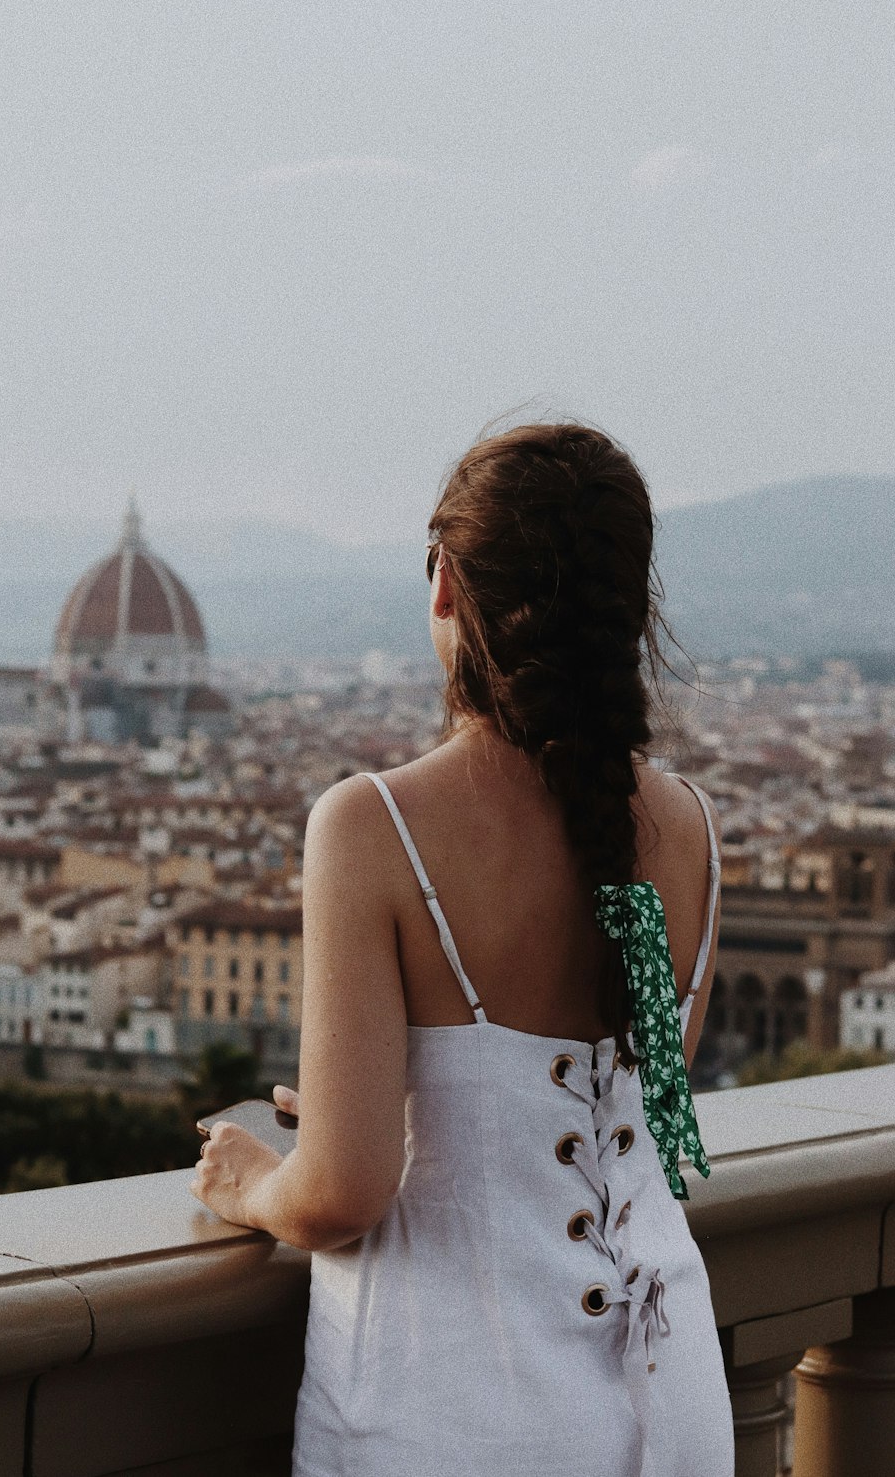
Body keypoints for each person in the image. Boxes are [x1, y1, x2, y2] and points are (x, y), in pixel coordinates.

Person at [191, 422, 735, 1476]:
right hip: (672, 1409)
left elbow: (342, 1196)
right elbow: (651, 1111)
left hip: (460, 1414)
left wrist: (250, 1183)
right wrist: (398, 1098)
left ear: (445, 583)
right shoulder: (691, 830)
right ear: (628, 605)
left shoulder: (372, 825)